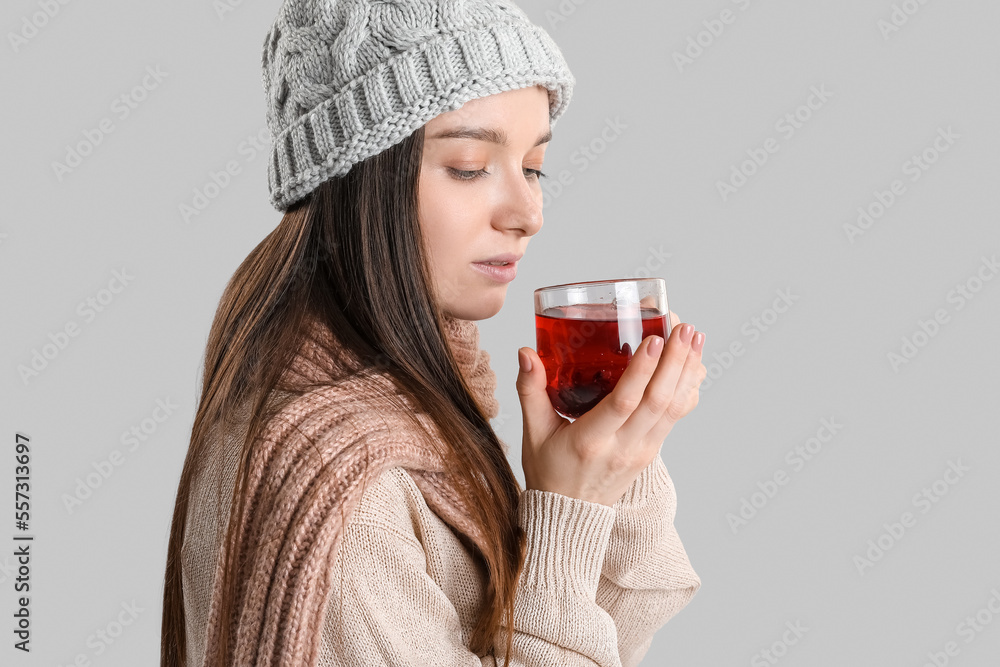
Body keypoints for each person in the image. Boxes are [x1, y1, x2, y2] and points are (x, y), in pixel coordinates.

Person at [160, 1, 707, 666]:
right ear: (358, 181)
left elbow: (597, 644)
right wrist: (569, 505)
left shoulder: (412, 419)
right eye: (471, 165)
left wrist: (612, 474)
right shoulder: (345, 494)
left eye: (533, 166)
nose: (528, 212)